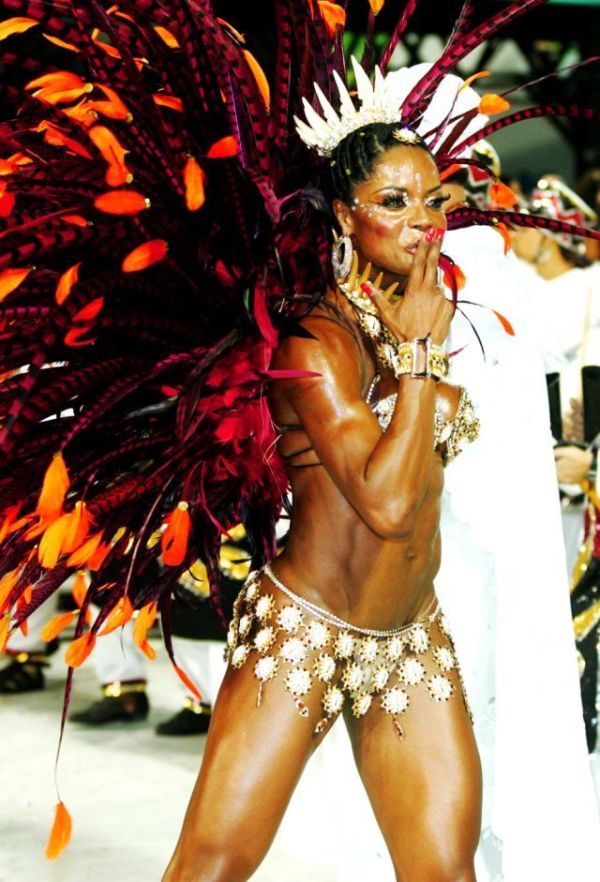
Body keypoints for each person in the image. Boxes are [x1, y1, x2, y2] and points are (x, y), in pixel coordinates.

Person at [1, 0, 599, 871]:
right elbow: (390, 505)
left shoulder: (435, 311)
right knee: (212, 863)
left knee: (446, 869)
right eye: (393, 202)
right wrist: (426, 358)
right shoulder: (316, 340)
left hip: (408, 639)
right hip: (305, 631)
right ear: (344, 219)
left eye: (433, 199)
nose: (423, 220)